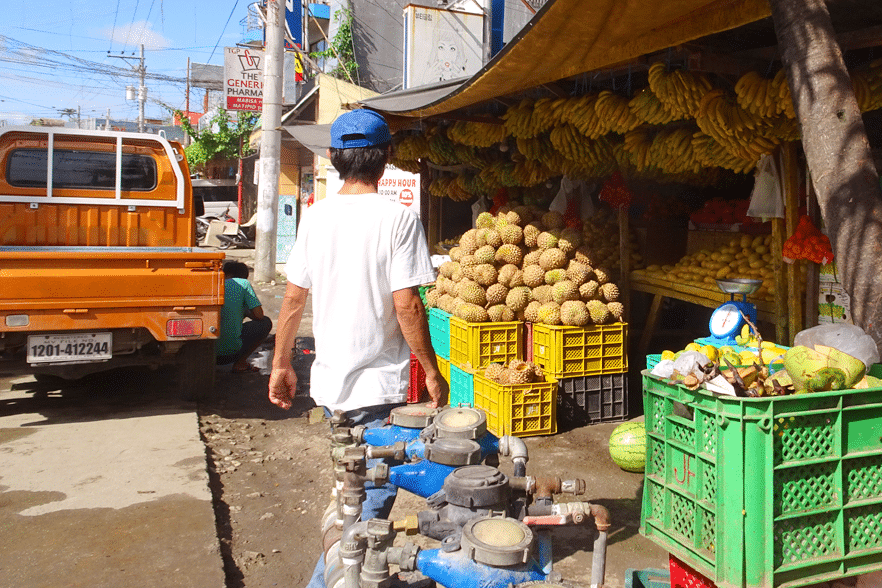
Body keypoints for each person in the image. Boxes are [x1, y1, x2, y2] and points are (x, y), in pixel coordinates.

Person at [267, 109, 448, 588]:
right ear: (387, 158)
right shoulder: (399, 218)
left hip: (330, 391)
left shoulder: (315, 216)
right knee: (364, 515)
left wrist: (281, 363)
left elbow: (291, 299)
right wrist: (430, 369)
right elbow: (407, 305)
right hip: (377, 392)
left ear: (332, 158)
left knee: (352, 498)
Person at [216, 261, 272, 372]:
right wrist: (246, 312)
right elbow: (259, 316)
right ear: (244, 276)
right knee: (265, 322)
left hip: (204, 354)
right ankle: (240, 363)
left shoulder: (213, 283)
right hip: (230, 353)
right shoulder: (243, 283)